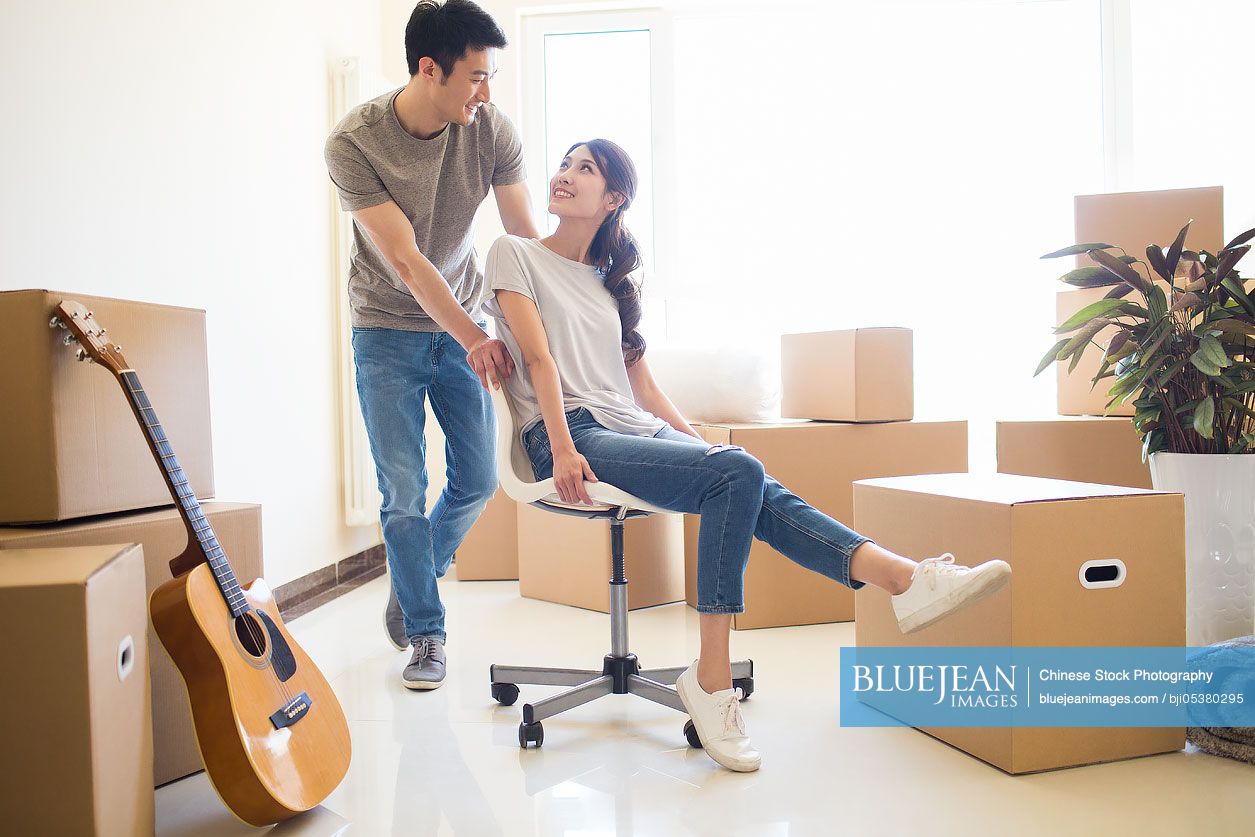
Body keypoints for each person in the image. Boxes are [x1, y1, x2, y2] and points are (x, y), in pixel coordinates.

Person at [482, 138, 1012, 773]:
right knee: (741, 475)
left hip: (630, 430)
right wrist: (563, 451)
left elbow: (643, 389)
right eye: (565, 164)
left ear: (614, 197)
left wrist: (701, 447)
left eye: (584, 168)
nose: (565, 175)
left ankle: (903, 579)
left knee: (743, 474)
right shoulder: (513, 253)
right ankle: (721, 676)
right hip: (567, 434)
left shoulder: (610, 287)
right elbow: (538, 359)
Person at [324, 0, 539, 691]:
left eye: (490, 76)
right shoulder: (353, 143)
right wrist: (475, 337)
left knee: (478, 478)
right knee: (404, 491)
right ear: (428, 69)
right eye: (476, 77)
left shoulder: (490, 129)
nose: (486, 92)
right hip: (386, 327)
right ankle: (426, 631)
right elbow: (408, 262)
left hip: (464, 318)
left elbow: (521, 237)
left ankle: (411, 579)